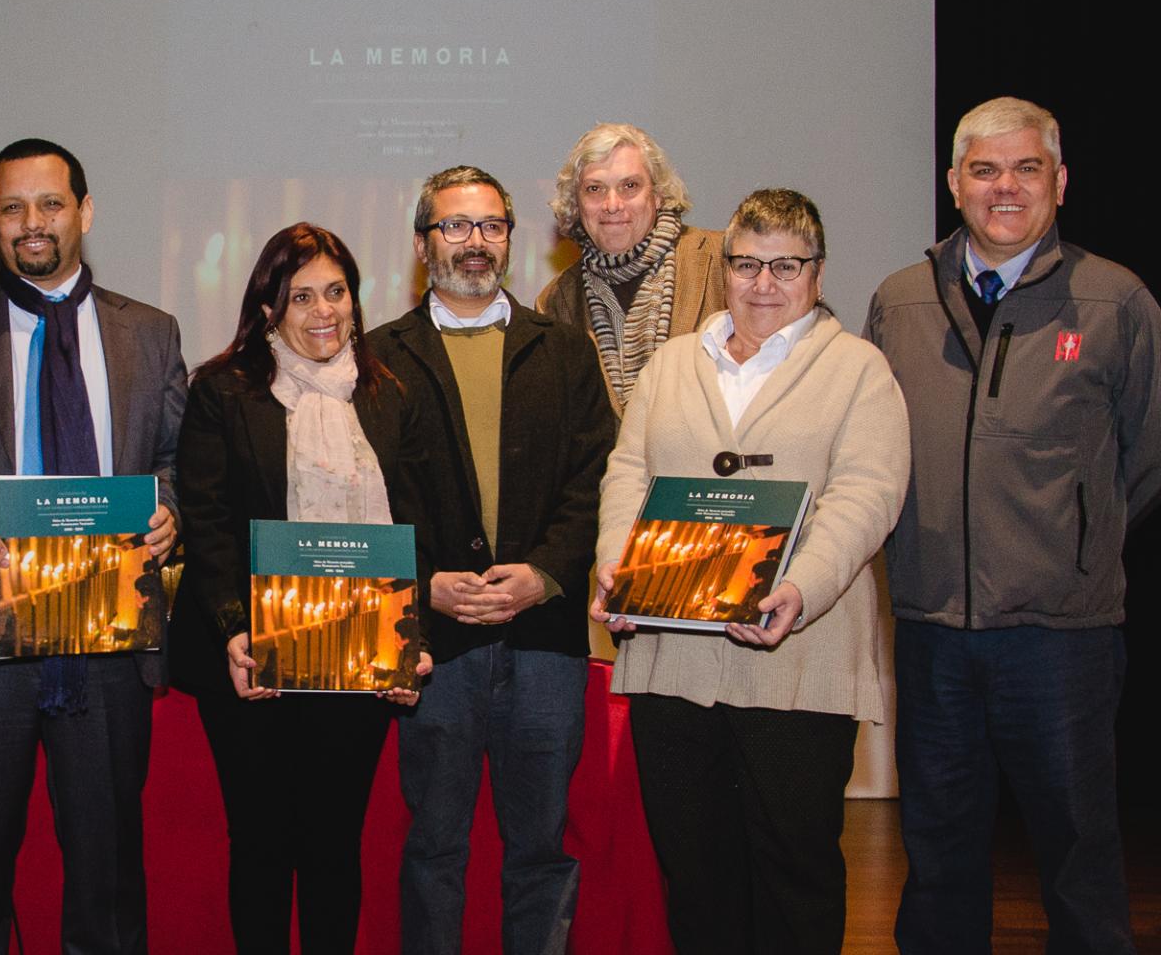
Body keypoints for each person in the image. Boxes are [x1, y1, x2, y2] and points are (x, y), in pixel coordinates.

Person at [866, 97, 1158, 954]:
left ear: (1059, 183)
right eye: (985, 170)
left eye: (1026, 169)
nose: (1005, 188)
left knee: (1078, 853)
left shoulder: (1115, 299)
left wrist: (1072, 540)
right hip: (931, 633)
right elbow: (875, 455)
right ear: (954, 183)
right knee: (940, 855)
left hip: (1060, 639)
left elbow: (1142, 457)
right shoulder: (900, 300)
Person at [0, 138, 185, 954]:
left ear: (85, 212)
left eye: (50, 203)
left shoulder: (150, 333)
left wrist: (170, 514)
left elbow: (177, 462)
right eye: (12, 208)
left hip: (111, 640)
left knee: (109, 875)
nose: (32, 223)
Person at [590, 189, 910, 954]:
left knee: (792, 870)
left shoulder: (859, 370)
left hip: (800, 660)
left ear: (818, 274)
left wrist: (798, 586)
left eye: (785, 265)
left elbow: (867, 493)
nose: (763, 283)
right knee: (695, 875)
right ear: (723, 268)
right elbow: (627, 472)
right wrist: (615, 565)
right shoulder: (671, 364)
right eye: (746, 263)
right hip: (673, 661)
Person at [170, 222, 434, 955]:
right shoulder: (223, 391)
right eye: (301, 296)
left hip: (357, 664)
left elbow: (414, 526)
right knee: (259, 842)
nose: (324, 311)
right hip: (253, 661)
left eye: (337, 292)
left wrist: (412, 642)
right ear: (268, 310)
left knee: (332, 846)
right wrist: (234, 628)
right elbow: (209, 522)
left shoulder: (388, 395)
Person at [370, 166, 615, 954]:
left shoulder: (566, 352)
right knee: (435, 847)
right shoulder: (376, 360)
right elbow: (364, 498)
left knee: (541, 849)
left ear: (511, 239)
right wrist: (420, 584)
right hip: (434, 643)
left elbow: (596, 481)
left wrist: (544, 573)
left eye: (491, 227)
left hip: (545, 640)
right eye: (455, 226)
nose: (475, 243)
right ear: (421, 243)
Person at [537, 123, 726, 415]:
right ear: (577, 204)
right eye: (594, 189)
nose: (612, 205)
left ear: (659, 194)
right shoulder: (555, 301)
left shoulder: (722, 259)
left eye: (630, 186)